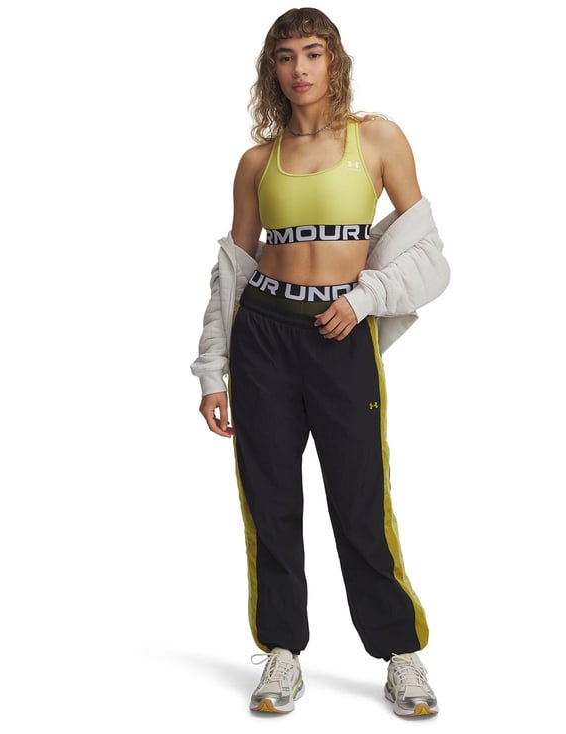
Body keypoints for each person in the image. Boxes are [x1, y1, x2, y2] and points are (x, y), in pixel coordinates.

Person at [190, 7, 450, 717]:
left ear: (334, 60)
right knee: (269, 498)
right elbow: (233, 271)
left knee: (360, 498)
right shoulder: (257, 161)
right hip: (263, 336)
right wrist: (213, 370)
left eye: (312, 52)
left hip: (341, 338)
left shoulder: (379, 139)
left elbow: (429, 257)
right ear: (270, 69)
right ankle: (282, 650)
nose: (299, 69)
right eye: (285, 56)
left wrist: (365, 299)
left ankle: (400, 654)